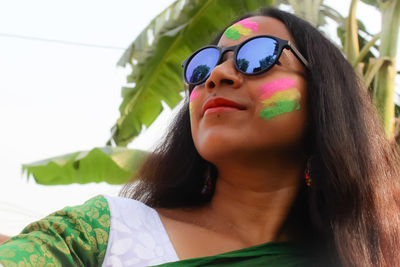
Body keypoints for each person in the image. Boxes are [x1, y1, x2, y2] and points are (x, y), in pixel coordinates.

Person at [1, 7, 400, 267]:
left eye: (259, 56)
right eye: (204, 64)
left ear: (323, 94)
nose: (216, 76)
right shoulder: (108, 232)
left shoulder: (368, 257)